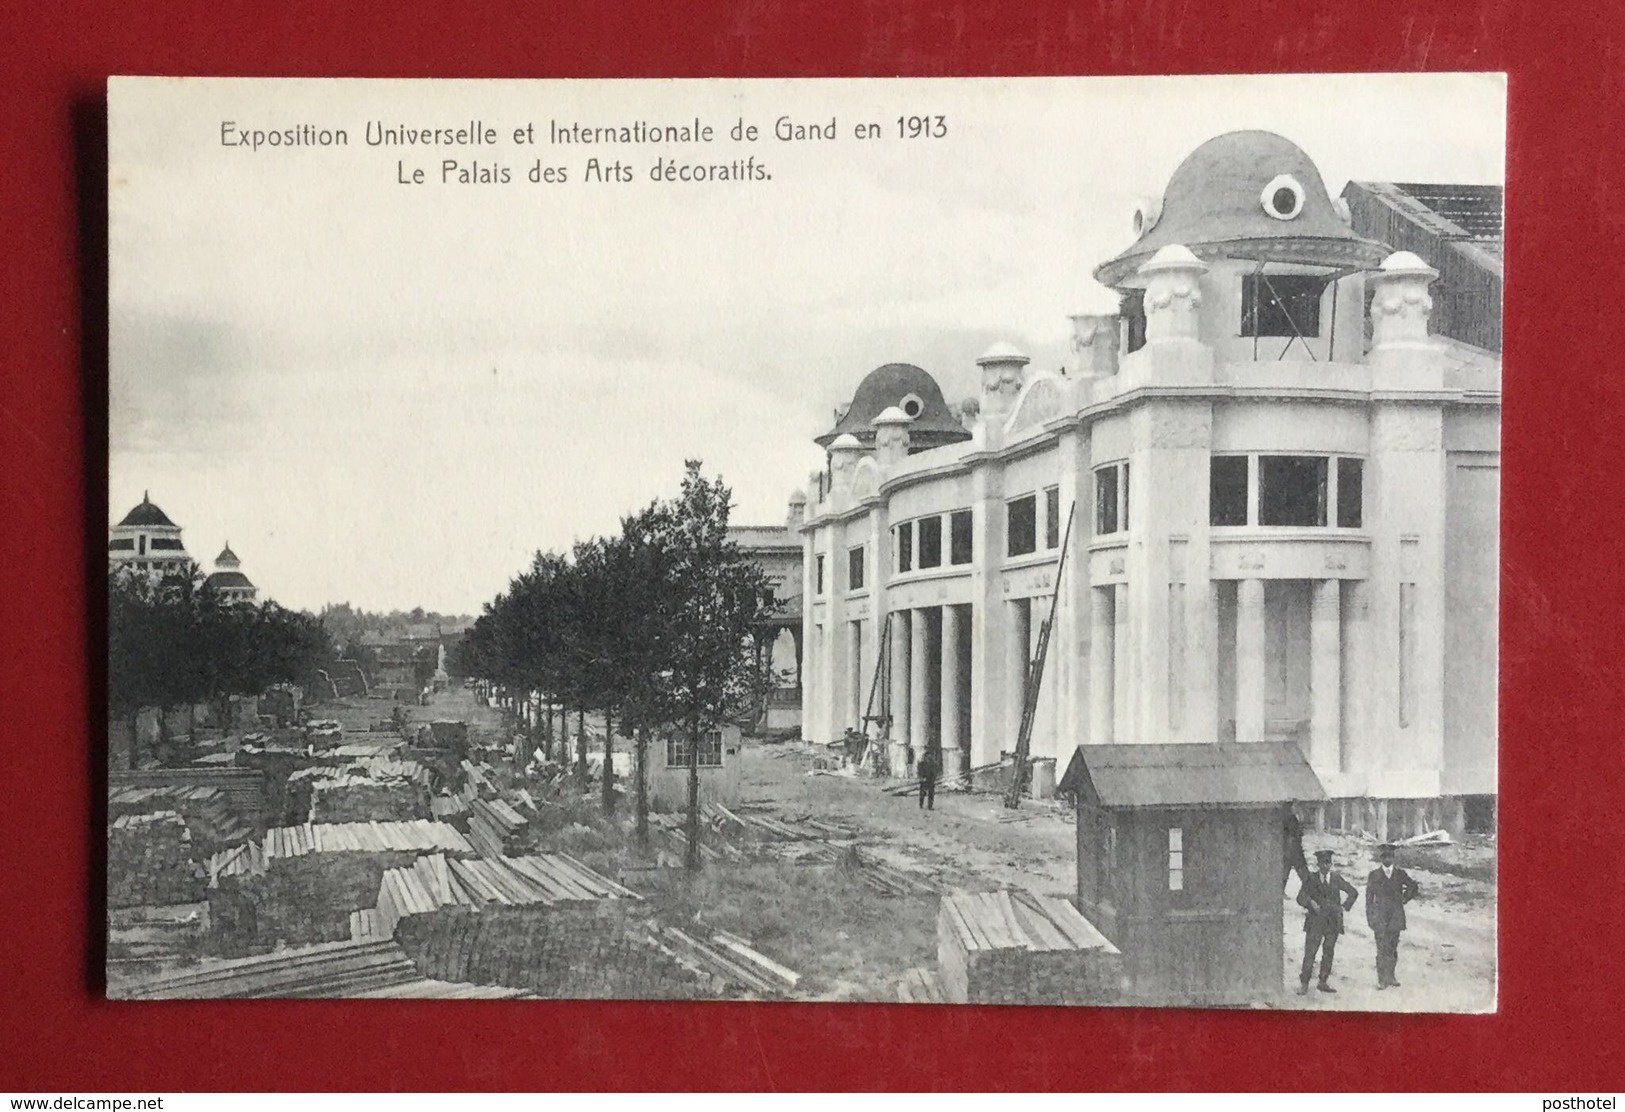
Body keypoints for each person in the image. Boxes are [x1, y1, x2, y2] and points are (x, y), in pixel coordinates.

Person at [1296, 848, 1358, 994]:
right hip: (1315, 922)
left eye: (1328, 863)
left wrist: (1344, 907)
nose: (1325, 866)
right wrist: (1311, 902)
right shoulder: (1311, 878)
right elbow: (1300, 898)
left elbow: (1353, 892)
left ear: (1331, 864)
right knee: (1310, 952)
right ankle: (1304, 984)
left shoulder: (1336, 878)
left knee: (1328, 952)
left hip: (1332, 922)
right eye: (1323, 863)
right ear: (1318, 864)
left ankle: (1323, 982)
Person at [1366, 843, 1421, 989]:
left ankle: (1391, 976)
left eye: (1390, 856)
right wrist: (1370, 918)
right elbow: (1369, 899)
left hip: (1395, 916)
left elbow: (1413, 887)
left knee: (1392, 948)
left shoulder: (1400, 874)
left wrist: (1404, 898)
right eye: (1385, 856)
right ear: (1381, 858)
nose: (1388, 859)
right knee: (1381, 948)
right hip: (1380, 917)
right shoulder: (1374, 875)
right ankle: (1382, 979)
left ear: (1394, 858)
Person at [1283, 806, 1309, 891]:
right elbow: (1294, 832)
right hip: (1292, 849)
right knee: (1300, 871)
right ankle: (1310, 890)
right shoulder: (1290, 818)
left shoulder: (1292, 817)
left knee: (1286, 871)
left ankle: (1309, 890)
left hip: (1292, 848)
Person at [917, 746, 940, 810]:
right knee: (922, 793)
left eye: (930, 756)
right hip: (924, 780)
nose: (929, 758)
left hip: (931, 780)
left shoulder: (932, 764)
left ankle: (930, 806)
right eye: (927, 756)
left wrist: (934, 777)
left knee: (931, 794)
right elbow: (920, 772)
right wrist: (921, 777)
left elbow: (935, 771)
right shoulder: (922, 764)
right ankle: (921, 805)